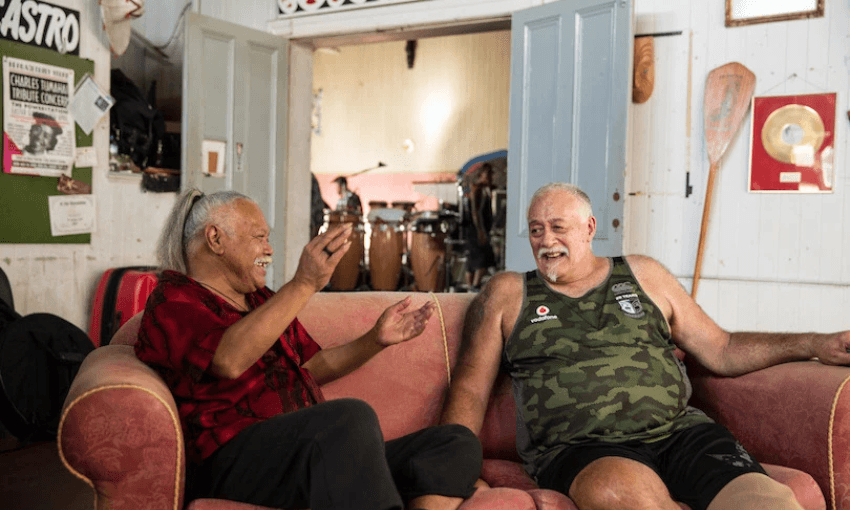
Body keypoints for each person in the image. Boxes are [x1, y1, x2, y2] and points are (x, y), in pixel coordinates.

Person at [440, 181, 850, 510]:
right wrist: (452, 468)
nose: (546, 240)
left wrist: (814, 343)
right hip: (584, 449)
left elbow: (721, 348)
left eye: (558, 226)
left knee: (769, 502)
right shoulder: (509, 293)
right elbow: (470, 389)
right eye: (535, 229)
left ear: (589, 228)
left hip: (680, 434)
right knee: (620, 494)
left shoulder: (644, 274)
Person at [135, 189, 481, 510]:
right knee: (349, 418)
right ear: (215, 239)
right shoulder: (174, 301)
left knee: (454, 442)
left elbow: (311, 366)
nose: (269, 249)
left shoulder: (261, 300)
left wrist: (375, 339)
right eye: (259, 238)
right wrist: (304, 283)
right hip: (233, 461)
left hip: (311, 453)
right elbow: (228, 361)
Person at [461, 163, 496, 291]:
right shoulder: (478, 190)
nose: (491, 177)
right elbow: (476, 212)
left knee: (473, 261)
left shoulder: (480, 189)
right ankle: (474, 287)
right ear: (481, 175)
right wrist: (481, 231)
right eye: (488, 174)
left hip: (473, 230)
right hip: (476, 231)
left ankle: (471, 287)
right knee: (483, 260)